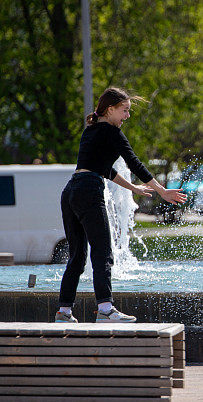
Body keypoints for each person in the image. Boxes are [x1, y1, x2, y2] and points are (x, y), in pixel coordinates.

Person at [55, 87, 186, 324]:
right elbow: (134, 163)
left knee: (77, 256)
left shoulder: (91, 130)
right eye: (124, 111)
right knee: (103, 252)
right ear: (110, 109)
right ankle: (105, 309)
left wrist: (134, 189)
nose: (127, 116)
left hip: (71, 191)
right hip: (88, 191)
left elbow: (105, 168)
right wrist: (162, 191)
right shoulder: (112, 133)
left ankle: (63, 312)